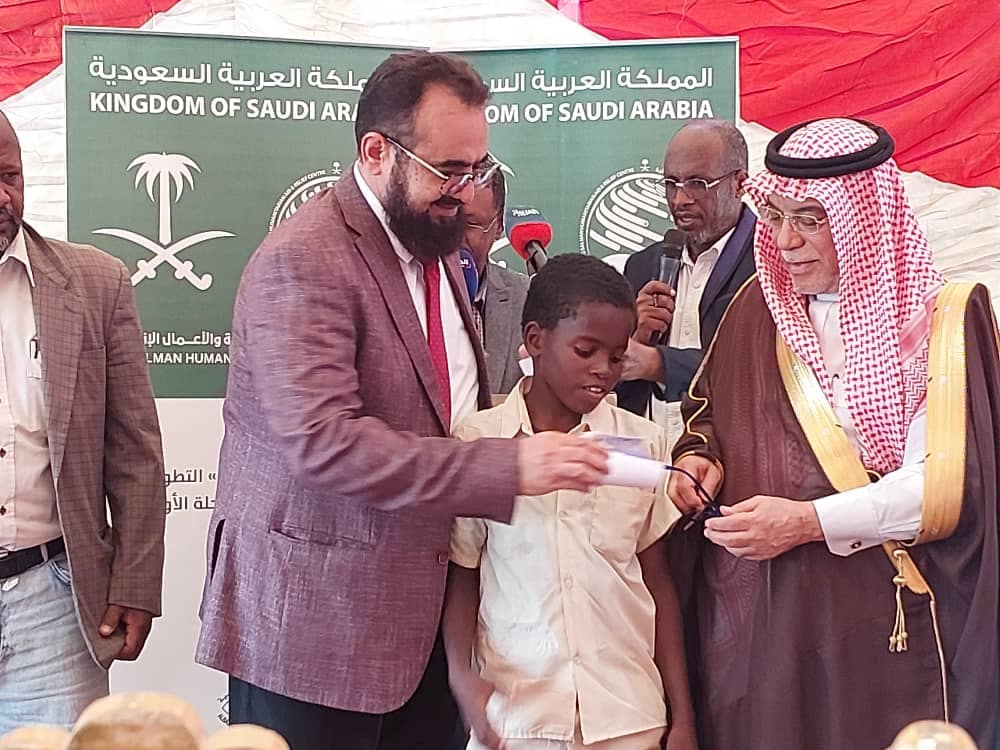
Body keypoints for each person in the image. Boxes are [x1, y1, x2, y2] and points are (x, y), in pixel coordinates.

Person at [195, 51, 608, 750]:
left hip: (426, 628)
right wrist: (508, 467)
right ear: (376, 152)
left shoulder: (435, 245)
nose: (465, 192)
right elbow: (324, 443)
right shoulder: (305, 259)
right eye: (447, 170)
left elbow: (448, 408)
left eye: (476, 168)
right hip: (318, 630)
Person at [668, 118, 1000, 749]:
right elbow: (708, 413)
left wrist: (806, 522)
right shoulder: (754, 309)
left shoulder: (944, 323)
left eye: (811, 220)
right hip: (770, 626)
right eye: (776, 216)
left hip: (889, 617)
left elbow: (941, 484)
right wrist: (699, 458)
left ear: (864, 221)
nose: (786, 241)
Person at [444, 254, 697, 750]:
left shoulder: (644, 444)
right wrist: (460, 675)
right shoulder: (479, 443)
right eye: (586, 351)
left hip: (629, 718)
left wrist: (682, 716)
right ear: (536, 339)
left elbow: (658, 583)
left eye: (617, 357)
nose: (603, 370)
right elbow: (464, 572)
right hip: (519, 719)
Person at [0, 112, 165, 732]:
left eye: (10, 176)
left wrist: (136, 581)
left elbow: (135, 451)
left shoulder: (96, 283)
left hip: (54, 605)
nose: (3, 196)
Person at [616, 120, 756, 448]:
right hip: (647, 458)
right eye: (671, 183)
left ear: (739, 184)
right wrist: (636, 337)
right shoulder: (642, 265)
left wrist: (658, 363)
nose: (679, 199)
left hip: (730, 459)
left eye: (697, 183)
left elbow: (765, 373)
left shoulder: (770, 261)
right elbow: (616, 386)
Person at [463, 168, 529, 395]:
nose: (454, 236)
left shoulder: (526, 298)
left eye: (470, 224)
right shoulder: (407, 292)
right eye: (447, 220)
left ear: (499, 225)